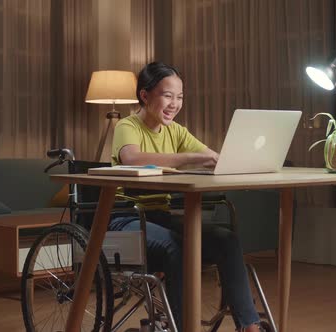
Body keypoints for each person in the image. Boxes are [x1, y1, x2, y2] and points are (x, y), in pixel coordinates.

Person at [109, 62, 268, 332]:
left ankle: (249, 326)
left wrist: (242, 159)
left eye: (180, 96)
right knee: (176, 246)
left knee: (226, 239)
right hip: (126, 219)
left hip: (160, 218)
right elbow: (132, 158)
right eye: (167, 95)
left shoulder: (176, 131)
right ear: (145, 96)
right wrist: (190, 158)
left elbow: (210, 157)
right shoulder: (128, 125)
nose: (175, 103)